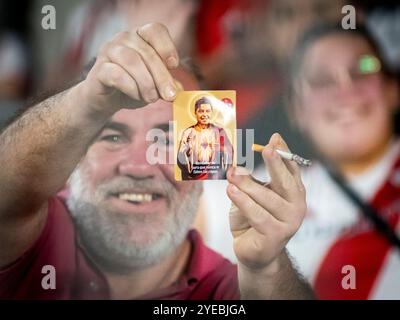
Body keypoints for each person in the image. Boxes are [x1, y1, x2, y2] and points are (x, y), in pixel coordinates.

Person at [0, 23, 313, 299]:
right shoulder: (34, 235)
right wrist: (83, 101)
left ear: (203, 169)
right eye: (112, 137)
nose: (139, 167)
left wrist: (267, 269)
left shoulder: (231, 290)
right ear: (74, 153)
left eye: (166, 140)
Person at [282, 23, 400, 299]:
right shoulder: (266, 192)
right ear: (296, 109)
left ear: (393, 88)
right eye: (322, 80)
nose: (346, 91)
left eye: (362, 70)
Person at [177, 96, 233, 180]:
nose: (204, 115)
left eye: (207, 111)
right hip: (194, 179)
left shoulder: (219, 131)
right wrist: (192, 167)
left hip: (215, 178)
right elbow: (181, 156)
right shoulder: (188, 132)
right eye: (200, 111)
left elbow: (229, 152)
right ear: (195, 113)